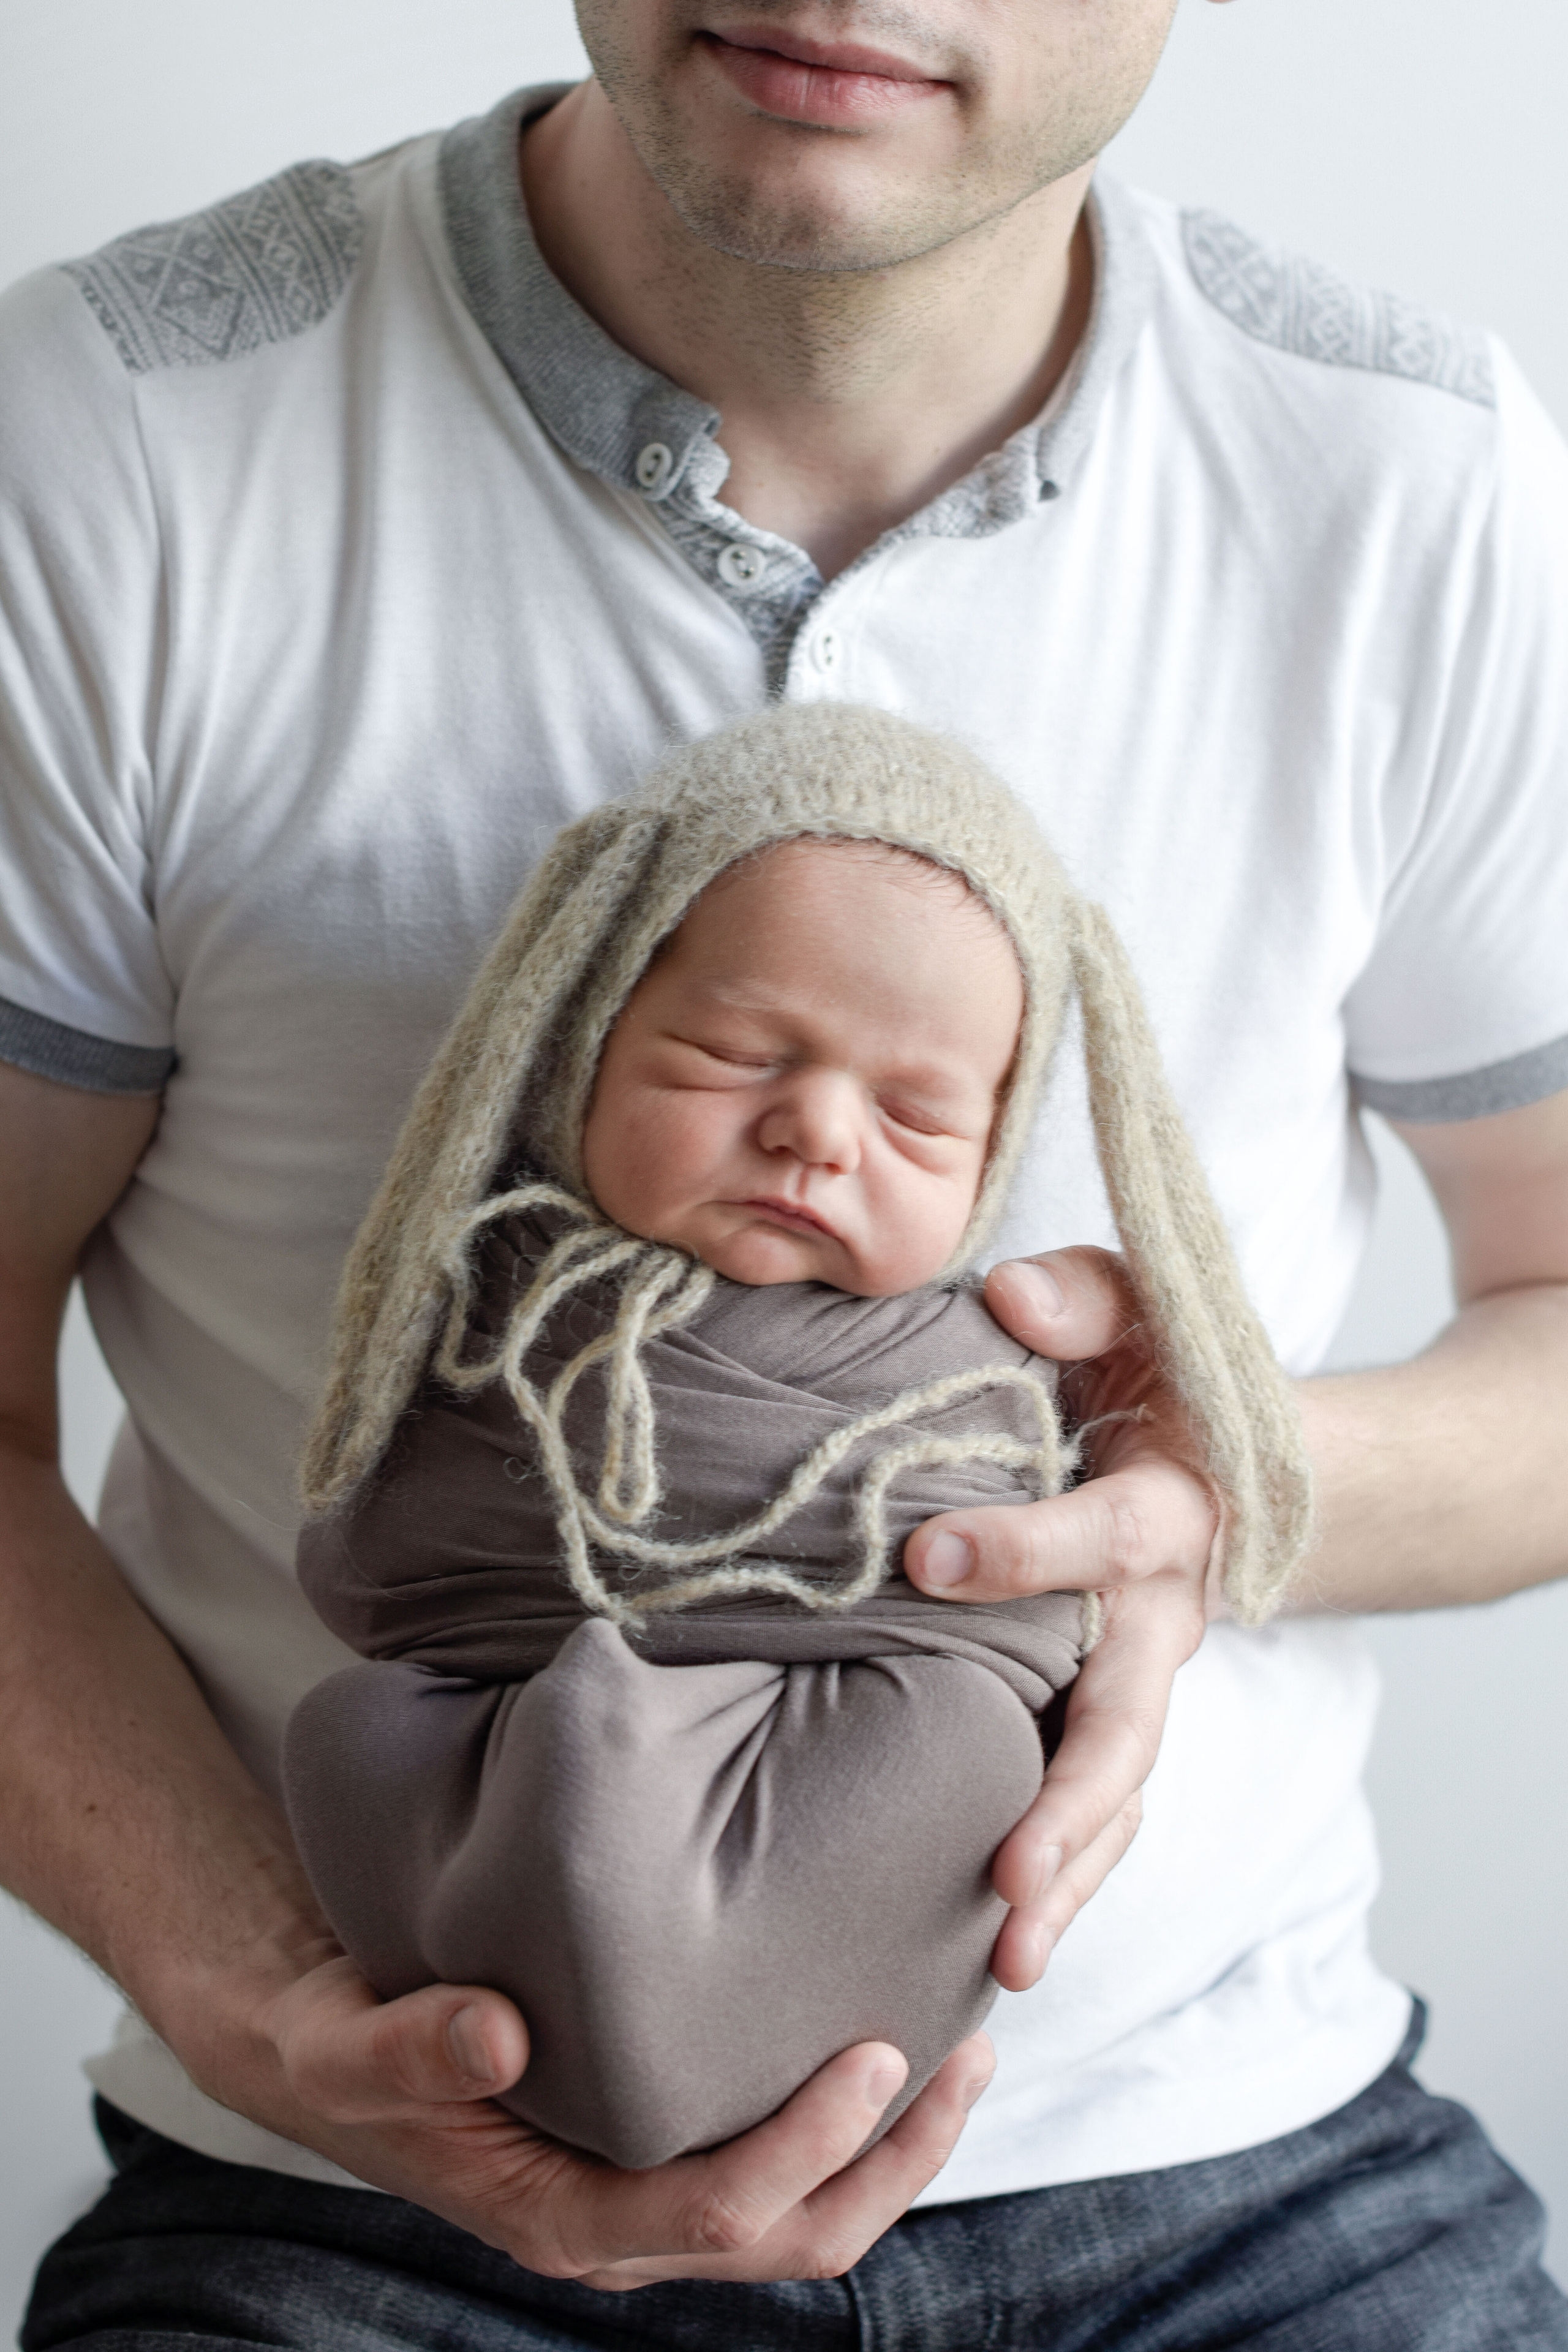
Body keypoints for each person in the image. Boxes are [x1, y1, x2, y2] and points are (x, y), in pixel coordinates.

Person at [1, 2, 1566, 2343]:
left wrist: (1204, 1484)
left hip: (1230, 2180)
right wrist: (272, 2010)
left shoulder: (1413, 473)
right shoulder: (117, 439)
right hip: (346, 2197)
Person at [280, 703, 1310, 2171]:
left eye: (914, 1115)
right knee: (353, 1732)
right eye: (732, 1053)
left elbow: (1019, 1638)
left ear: (997, 1158)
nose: (817, 1133)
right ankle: (581, 2022)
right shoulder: (498, 1309)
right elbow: (371, 1572)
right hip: (476, 1869)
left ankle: (748, 2046)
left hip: (1116, 2042)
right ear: (581, 1034)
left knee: (957, 1742)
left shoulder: (973, 1363)